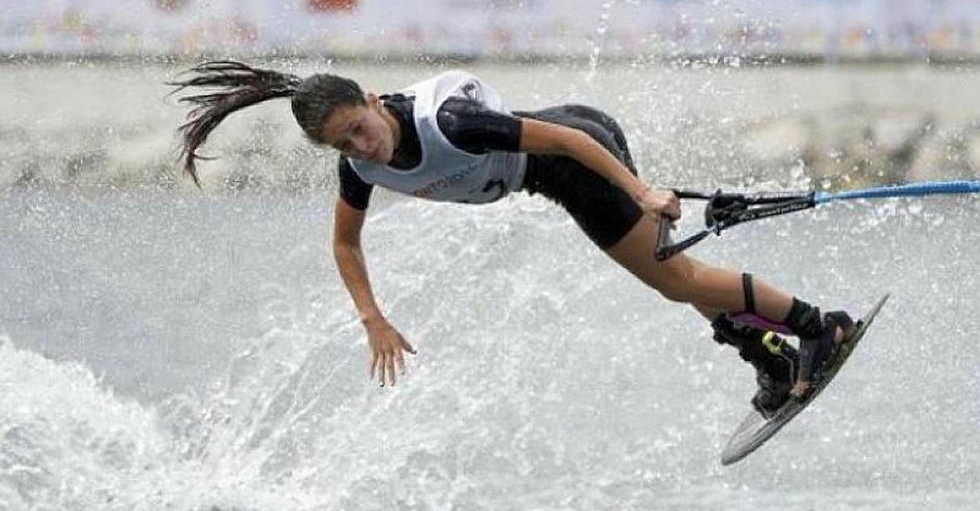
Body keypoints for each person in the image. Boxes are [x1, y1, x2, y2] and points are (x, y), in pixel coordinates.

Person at [170, 61, 853, 417]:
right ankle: (769, 354)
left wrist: (641, 191)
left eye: (360, 127)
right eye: (343, 143)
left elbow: (567, 141)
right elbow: (346, 244)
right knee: (672, 270)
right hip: (556, 169)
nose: (361, 145)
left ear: (374, 101)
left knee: (673, 278)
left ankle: (818, 327)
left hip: (574, 156)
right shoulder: (361, 167)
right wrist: (372, 318)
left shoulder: (451, 123)